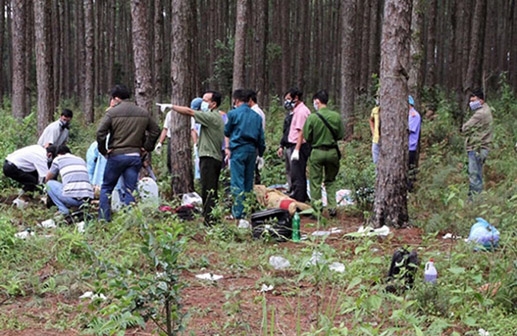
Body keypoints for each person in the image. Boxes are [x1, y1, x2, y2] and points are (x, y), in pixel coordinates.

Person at [96, 84, 160, 222]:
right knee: (130, 189)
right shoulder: (142, 112)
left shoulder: (112, 113)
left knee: (106, 187)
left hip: (116, 156)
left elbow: (100, 132)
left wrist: (103, 150)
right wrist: (146, 147)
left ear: (116, 98)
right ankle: (128, 221)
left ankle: (103, 219)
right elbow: (155, 130)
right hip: (134, 156)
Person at [170, 91, 225, 226]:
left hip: (209, 157)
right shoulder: (214, 116)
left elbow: (189, 112)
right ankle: (211, 217)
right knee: (210, 189)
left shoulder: (212, 117)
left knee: (208, 190)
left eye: (205, 100)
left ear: (213, 104)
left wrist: (172, 107)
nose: (202, 103)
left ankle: (210, 221)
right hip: (212, 157)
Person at [224, 89, 266, 223]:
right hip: (252, 150)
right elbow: (261, 138)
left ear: (236, 100)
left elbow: (227, 131)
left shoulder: (233, 114)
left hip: (238, 149)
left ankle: (238, 213)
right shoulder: (257, 117)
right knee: (248, 181)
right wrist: (261, 153)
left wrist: (228, 148)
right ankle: (248, 210)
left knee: (237, 182)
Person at [303, 90, 344, 217]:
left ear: (317, 101)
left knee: (315, 181)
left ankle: (317, 210)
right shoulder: (336, 116)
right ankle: (332, 207)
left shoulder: (312, 118)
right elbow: (341, 135)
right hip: (332, 152)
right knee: (330, 180)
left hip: (317, 151)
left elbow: (306, 136)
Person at [44, 145, 93, 215]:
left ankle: (63, 210)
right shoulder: (80, 159)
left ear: (58, 154)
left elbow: (48, 177)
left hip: (72, 200)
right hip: (87, 200)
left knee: (49, 184)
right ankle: (79, 208)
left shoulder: (58, 159)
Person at [461, 89, 493, 197]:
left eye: (473, 99)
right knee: (478, 174)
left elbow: (465, 128)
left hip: (477, 148)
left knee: (474, 176)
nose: (471, 101)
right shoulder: (486, 109)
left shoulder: (480, 114)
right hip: (483, 147)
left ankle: (474, 200)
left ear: (481, 100)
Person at [285, 87, 311, 202]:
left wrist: (297, 149)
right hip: (296, 145)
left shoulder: (301, 112)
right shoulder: (296, 111)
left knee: (297, 174)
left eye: (289, 99)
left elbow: (301, 132)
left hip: (299, 146)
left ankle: (299, 199)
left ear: (296, 98)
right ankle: (301, 195)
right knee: (296, 173)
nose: (287, 102)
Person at [248, 90, 266, 184]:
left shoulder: (256, 112)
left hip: (254, 144)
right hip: (256, 144)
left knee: (253, 171)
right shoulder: (256, 111)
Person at [277, 103, 295, 192]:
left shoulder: (298, 115)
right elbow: (285, 132)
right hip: (287, 145)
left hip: (294, 146)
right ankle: (290, 187)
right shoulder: (288, 116)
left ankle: (296, 190)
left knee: (294, 169)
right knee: (288, 169)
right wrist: (281, 145)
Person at [408, 95, 421, 192]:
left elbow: (409, 129)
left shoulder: (414, 115)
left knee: (409, 169)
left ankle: (410, 189)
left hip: (410, 147)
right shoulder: (408, 114)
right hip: (406, 147)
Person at [369, 97, 381, 165]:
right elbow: (371, 120)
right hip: (376, 140)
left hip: (385, 141)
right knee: (376, 162)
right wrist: (373, 131)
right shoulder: (375, 110)